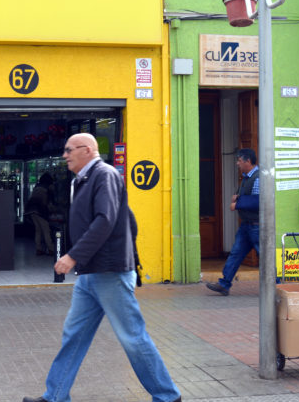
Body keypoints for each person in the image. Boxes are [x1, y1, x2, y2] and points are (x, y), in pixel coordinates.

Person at [23, 133, 181, 402]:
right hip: (91, 274)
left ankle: (167, 396)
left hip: (109, 272)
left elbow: (105, 221)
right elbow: (127, 219)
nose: (65, 155)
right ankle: (55, 396)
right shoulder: (82, 180)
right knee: (74, 336)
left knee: (132, 337)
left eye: (69, 150)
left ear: (86, 150)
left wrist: (72, 256)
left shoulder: (104, 175)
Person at [206, 148, 260, 297]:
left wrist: (238, 204)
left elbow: (258, 201)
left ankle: (278, 285)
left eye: (239, 161)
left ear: (248, 161)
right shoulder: (246, 177)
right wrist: (237, 198)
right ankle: (224, 284)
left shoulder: (258, 177)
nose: (237, 163)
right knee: (236, 253)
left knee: (266, 257)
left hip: (257, 226)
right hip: (246, 225)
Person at [26, 173, 56, 256]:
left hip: (30, 210)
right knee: (46, 230)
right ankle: (51, 249)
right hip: (40, 210)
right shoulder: (49, 187)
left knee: (38, 230)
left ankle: (39, 249)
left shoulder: (37, 186)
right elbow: (50, 202)